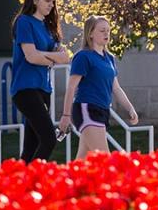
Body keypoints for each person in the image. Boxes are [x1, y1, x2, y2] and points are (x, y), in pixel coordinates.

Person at [58, 15, 138, 159]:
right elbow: (71, 88)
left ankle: (65, 181)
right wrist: (66, 115)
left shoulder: (110, 58)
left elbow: (116, 88)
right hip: (87, 110)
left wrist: (130, 108)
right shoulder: (83, 56)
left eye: (108, 30)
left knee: (81, 164)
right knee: (105, 161)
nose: (106, 33)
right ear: (90, 33)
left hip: (103, 111)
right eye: (102, 30)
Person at [11, 0, 70, 163]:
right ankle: (32, 181)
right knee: (49, 139)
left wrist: (50, 57)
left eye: (53, 2)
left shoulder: (49, 26)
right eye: (47, 0)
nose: (51, 5)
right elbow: (31, 56)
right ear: (35, 0)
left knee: (30, 148)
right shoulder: (24, 22)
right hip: (25, 89)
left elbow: (61, 56)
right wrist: (52, 58)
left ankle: (17, 186)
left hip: (44, 90)